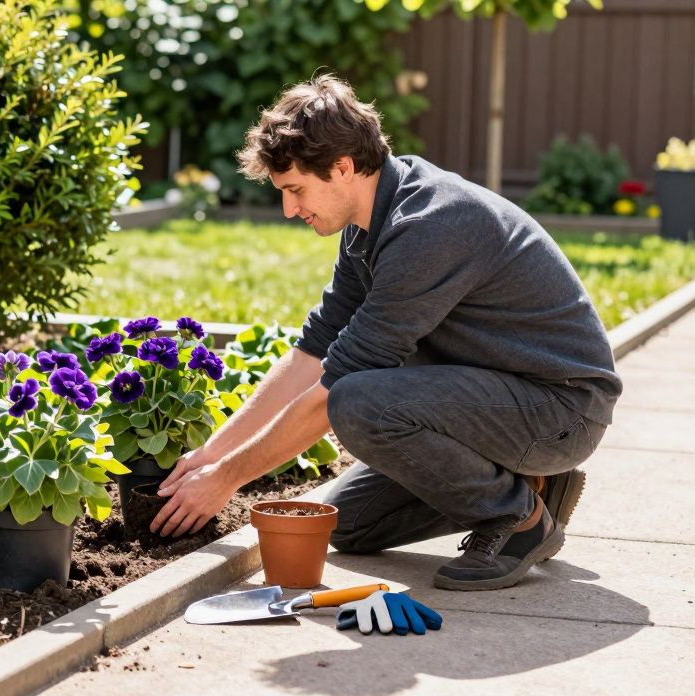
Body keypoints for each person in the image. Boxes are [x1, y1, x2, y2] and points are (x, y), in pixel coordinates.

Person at [150, 74, 622, 591]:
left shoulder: (431, 225)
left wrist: (226, 481)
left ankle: (518, 520)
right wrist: (211, 456)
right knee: (346, 524)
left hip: (562, 409)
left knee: (357, 401)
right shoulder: (365, 226)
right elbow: (313, 352)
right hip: (499, 398)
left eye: (295, 190)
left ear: (343, 167)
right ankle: (534, 485)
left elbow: (332, 391)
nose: (289, 209)